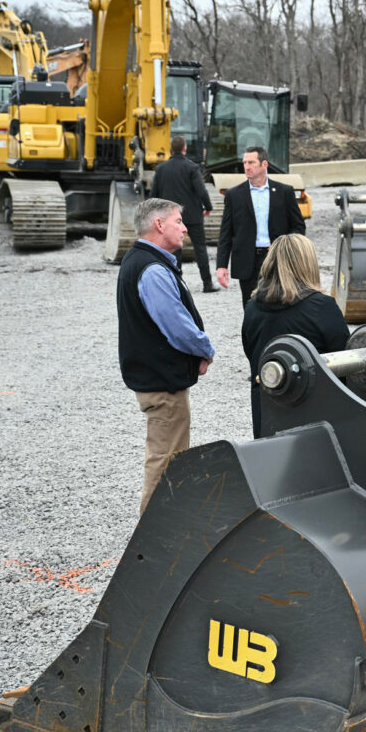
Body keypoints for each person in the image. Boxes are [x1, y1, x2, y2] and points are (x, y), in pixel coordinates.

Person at [117, 198, 216, 512]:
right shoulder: (153, 270)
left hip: (159, 380)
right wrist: (205, 349)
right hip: (162, 384)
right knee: (166, 463)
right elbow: (177, 326)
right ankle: (152, 544)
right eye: (178, 221)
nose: (185, 228)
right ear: (158, 225)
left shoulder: (145, 262)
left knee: (168, 458)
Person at [240, 234, 350, 437]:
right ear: (307, 264)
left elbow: (252, 354)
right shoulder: (322, 307)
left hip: (268, 409)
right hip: (315, 413)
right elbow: (346, 362)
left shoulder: (252, 308)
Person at [215, 145, 306, 304]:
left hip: (277, 258)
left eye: (251, 162)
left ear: (264, 164)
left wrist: (282, 245)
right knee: (250, 306)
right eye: (244, 163)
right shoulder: (233, 195)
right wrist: (221, 265)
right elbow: (226, 232)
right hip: (247, 260)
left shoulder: (284, 192)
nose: (246, 167)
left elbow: (298, 227)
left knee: (279, 303)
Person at [150, 136, 216, 292]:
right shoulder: (192, 168)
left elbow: (154, 195)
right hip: (193, 215)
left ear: (171, 149)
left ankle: (177, 284)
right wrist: (208, 207)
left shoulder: (161, 169)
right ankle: (207, 284)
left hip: (170, 217)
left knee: (174, 250)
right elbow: (201, 190)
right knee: (200, 249)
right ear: (185, 149)